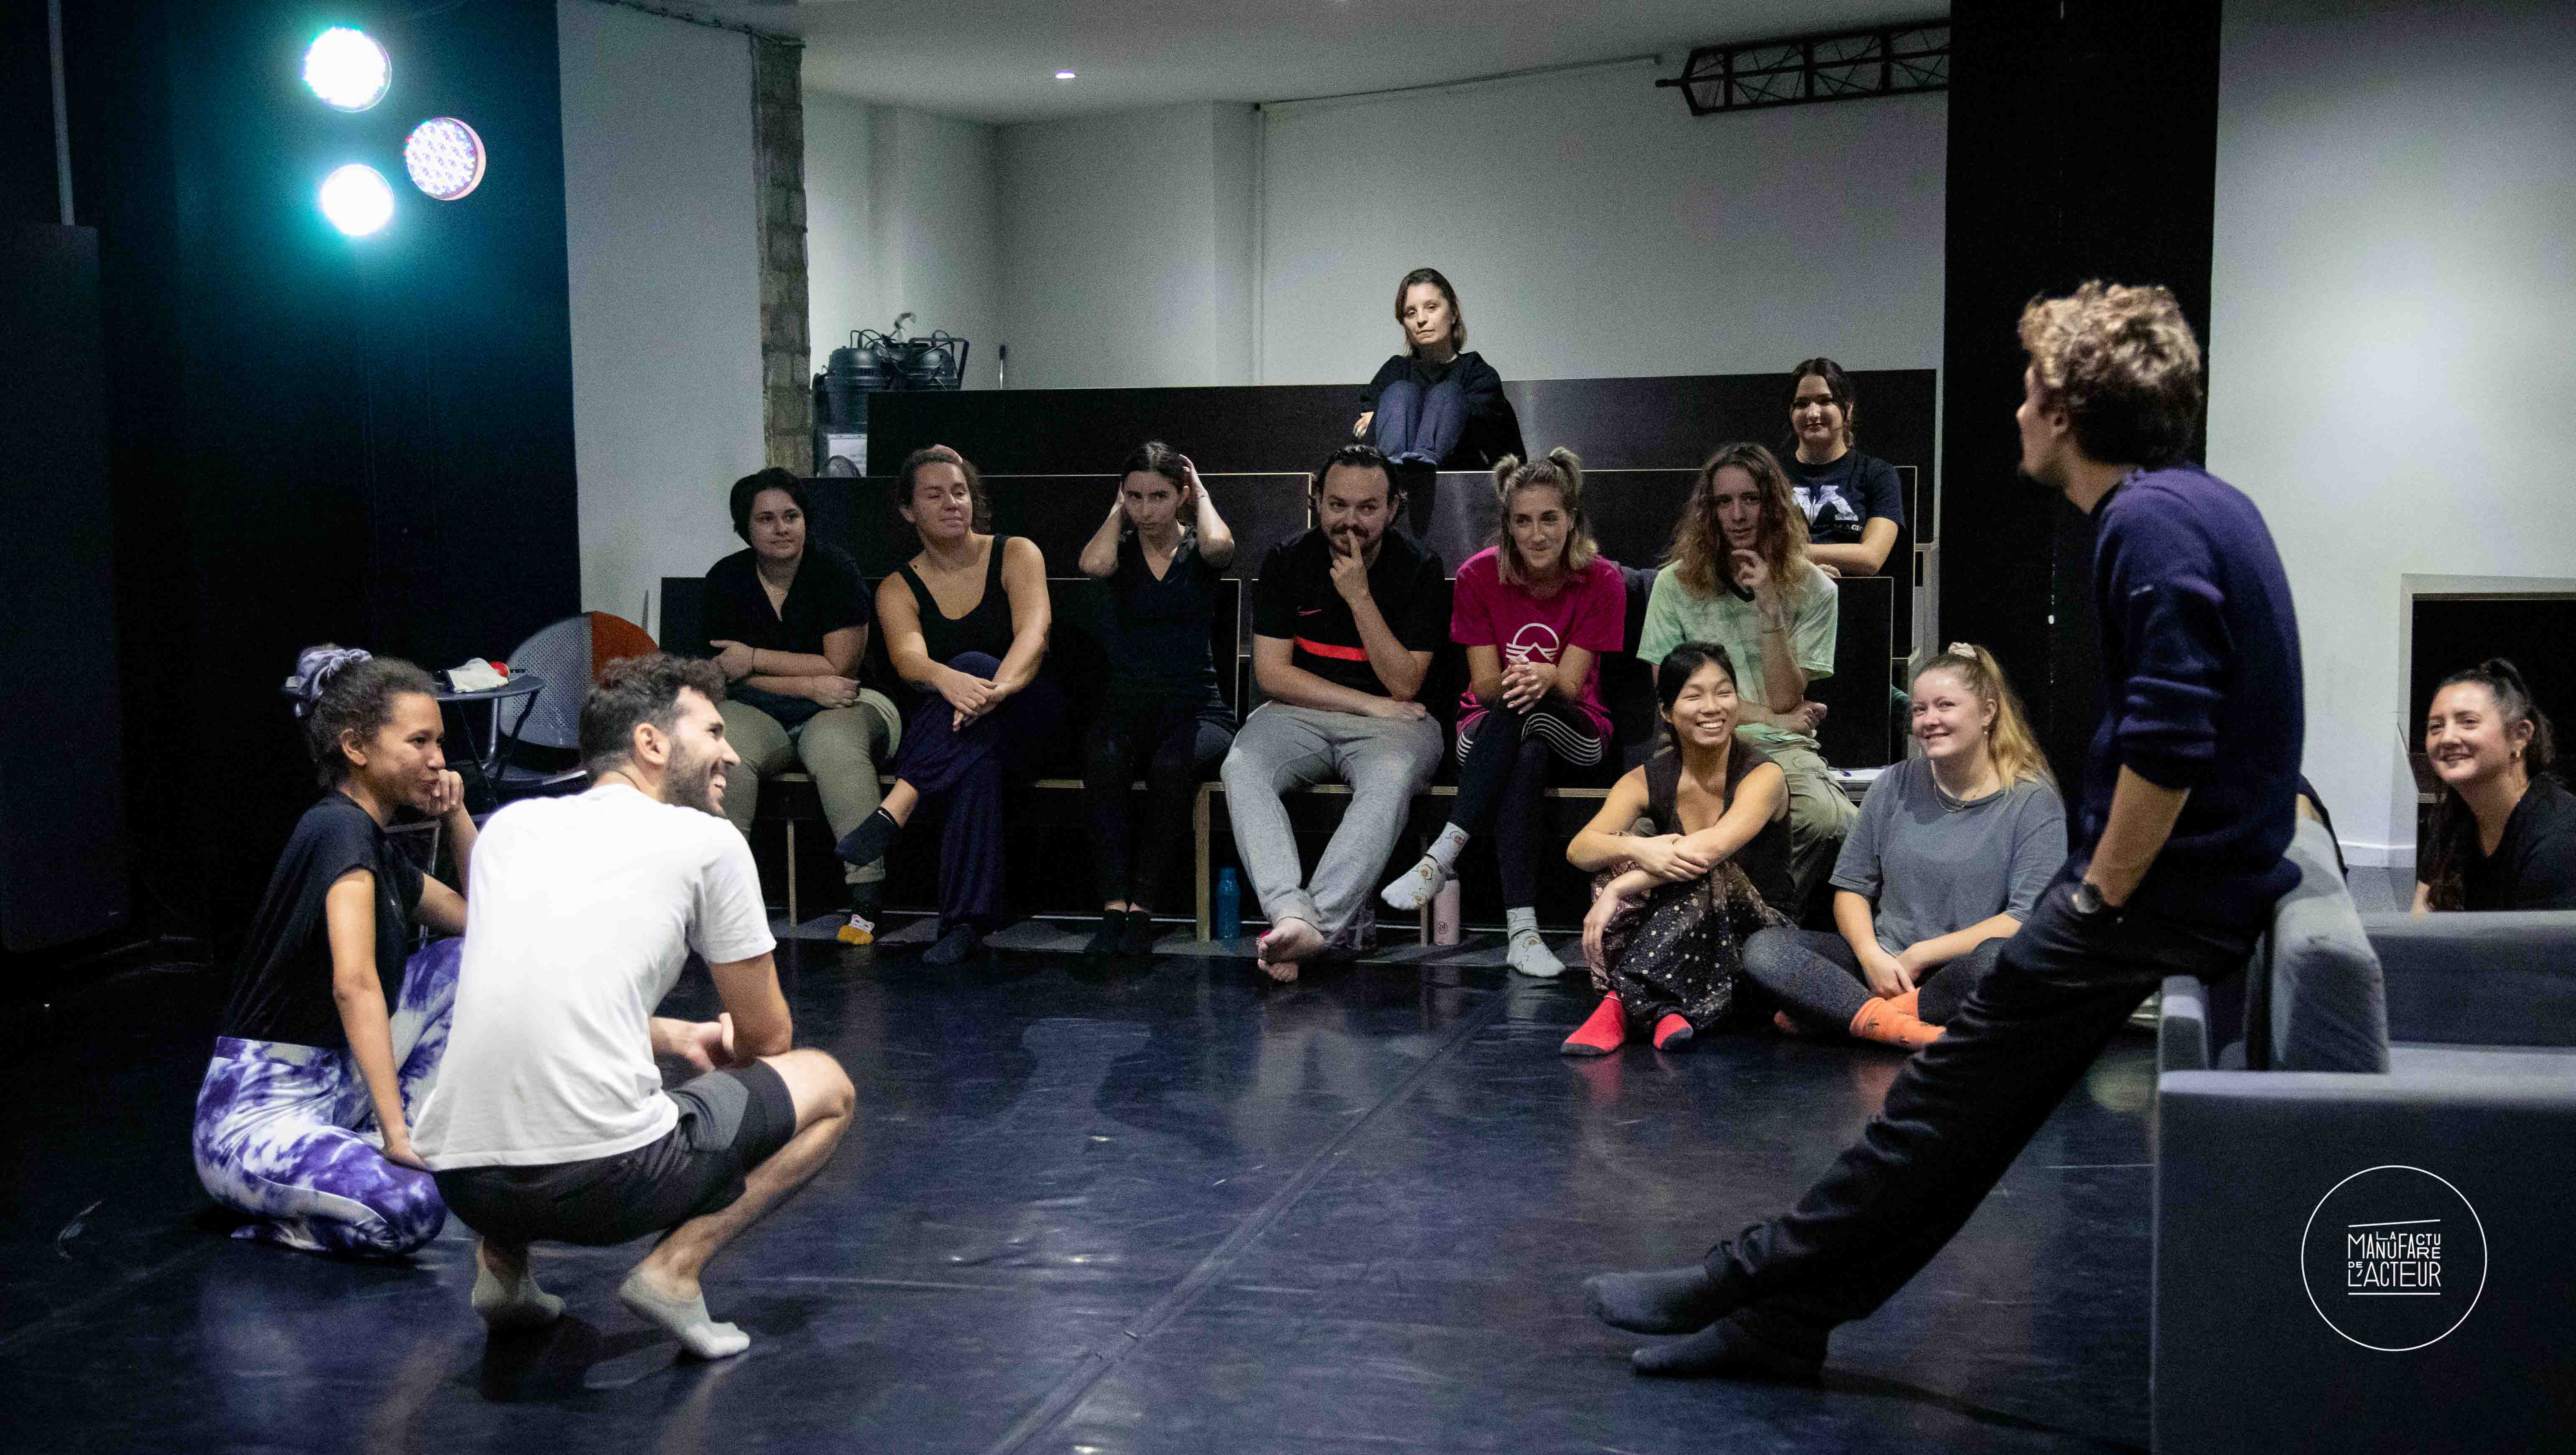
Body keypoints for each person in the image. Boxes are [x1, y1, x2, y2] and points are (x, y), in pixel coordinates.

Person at [1583, 281, 2305, 1383]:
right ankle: (1777, 1319)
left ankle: (1742, 1282)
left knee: (1931, 1119)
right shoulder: (2202, 505)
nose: (2014, 409)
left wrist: (2100, 895)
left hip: (2152, 900)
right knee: (1952, 1133)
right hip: (2180, 894)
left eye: (2026, 389)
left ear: (2063, 409)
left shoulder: (2145, 521)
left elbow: (2174, 728)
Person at [412, 654, 854, 1359]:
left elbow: (535, 995)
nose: (732, 753)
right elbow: (769, 1040)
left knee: (516, 1072)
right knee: (827, 1085)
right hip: (606, 1184)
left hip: (463, 1184)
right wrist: (726, 1057)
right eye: (713, 732)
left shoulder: (509, 831)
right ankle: (673, 1273)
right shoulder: (709, 842)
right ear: (651, 743)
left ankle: (503, 1272)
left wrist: (675, 1036)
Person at [193, 647, 474, 1257]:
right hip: (260, 1116)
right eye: (419, 741)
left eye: (440, 742)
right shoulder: (336, 830)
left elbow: (485, 922)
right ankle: (359, 1165)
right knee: (410, 1212)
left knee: (466, 963)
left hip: (333, 1089)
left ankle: (384, 1143)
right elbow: (354, 982)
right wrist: (395, 1131)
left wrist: (456, 813)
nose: (437, 759)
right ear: (356, 747)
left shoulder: (372, 844)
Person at [1743, 644, 2065, 1049]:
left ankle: (1843, 1014)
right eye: (1919, 710)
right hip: (1882, 966)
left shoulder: (2032, 800)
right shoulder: (1893, 784)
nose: (1929, 721)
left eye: (1945, 706)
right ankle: (1896, 1025)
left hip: (1956, 972)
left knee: (2003, 960)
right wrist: (1870, 955)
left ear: (1987, 712)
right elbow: (1851, 888)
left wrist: (1921, 955)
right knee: (1767, 948)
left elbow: (2024, 916)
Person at [1380, 448, 1625, 978]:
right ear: (1507, 524)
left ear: (1572, 521)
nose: (1536, 535)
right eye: (1522, 521)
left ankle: (1443, 853)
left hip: (1578, 729)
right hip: (1489, 727)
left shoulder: (1602, 580)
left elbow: (1573, 684)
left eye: (1548, 519)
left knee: (1534, 720)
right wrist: (1525, 679)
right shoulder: (1477, 576)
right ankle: (1523, 932)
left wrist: (1545, 677)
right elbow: (1484, 684)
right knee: (1527, 751)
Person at [1221, 443, 1449, 981]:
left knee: (1389, 780)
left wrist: (1360, 598)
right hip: (1304, 712)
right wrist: (1367, 704)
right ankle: (1289, 913)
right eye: (1338, 505)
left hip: (1397, 729)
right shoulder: (1286, 559)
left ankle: (1311, 927)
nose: (1351, 521)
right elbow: (1273, 675)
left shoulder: (1419, 568)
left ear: (1393, 508)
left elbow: (1404, 683)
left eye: (1368, 508)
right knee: (1241, 765)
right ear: (1316, 501)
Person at [833, 446, 1061, 965]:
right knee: (974, 765)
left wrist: (993, 690)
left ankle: (899, 805)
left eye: (959, 492)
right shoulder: (897, 586)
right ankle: (962, 926)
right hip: (964, 729)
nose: (952, 503)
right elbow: (909, 659)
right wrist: (949, 680)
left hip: (1030, 715)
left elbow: (1034, 633)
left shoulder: (1016, 552)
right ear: (909, 511)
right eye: (934, 495)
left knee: (979, 661)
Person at [1637, 441, 1857, 903]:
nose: (1737, 515)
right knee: (1643, 824)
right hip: (1696, 742)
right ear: (1709, 512)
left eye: (1750, 499)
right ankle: (1717, 916)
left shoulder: (1815, 589)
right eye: (1724, 502)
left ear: (1772, 506)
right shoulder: (1673, 584)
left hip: (1782, 752)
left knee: (1829, 820)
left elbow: (1783, 696)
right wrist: (1775, 717)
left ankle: (1760, 918)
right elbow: (1679, 698)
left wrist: (1769, 609)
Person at [1557, 643, 1796, 1055]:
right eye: (1693, 695)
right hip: (1688, 939)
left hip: (1758, 940)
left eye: (1723, 692)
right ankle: (1665, 1011)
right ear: (1667, 711)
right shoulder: (1648, 779)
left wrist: (1623, 886)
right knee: (1613, 857)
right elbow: (1580, 849)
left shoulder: (1763, 775)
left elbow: (1711, 849)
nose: (1712, 707)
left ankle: (1620, 1002)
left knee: (1705, 866)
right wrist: (1635, 848)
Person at [705, 467, 903, 945]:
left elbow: (841, 669)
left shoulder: (834, 571)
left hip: (851, 701)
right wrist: (807, 684)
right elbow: (720, 673)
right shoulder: (727, 578)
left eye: (791, 516)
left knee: (835, 747)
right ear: (745, 529)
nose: (781, 528)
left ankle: (866, 899)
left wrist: (753, 659)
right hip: (763, 707)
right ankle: (720, 900)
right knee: (724, 746)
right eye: (766, 519)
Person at [1075, 442, 1238, 958]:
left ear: (1181, 496)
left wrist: (1204, 494)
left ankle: (1144, 907)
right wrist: (1114, 512)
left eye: (1159, 497)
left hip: (1198, 710)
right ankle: (1113, 907)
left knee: (1172, 767)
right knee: (1102, 759)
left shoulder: (1199, 548)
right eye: (1135, 497)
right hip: (1128, 707)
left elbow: (1221, 548)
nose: (1146, 510)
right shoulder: (1119, 550)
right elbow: (1093, 563)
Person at [2414, 658, 2576, 911]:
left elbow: (2541, 949)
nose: (2446, 738)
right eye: (2436, 727)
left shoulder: (2561, 835)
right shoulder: (2448, 819)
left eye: (2468, 722)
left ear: (2521, 736)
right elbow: (2421, 931)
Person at [1351, 267, 1524, 469]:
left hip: (1457, 478)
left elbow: (1494, 441)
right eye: (1411, 312)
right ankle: (1395, 473)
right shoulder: (1395, 371)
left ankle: (1421, 467)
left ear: (1453, 314)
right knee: (1401, 392)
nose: (1421, 320)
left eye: (1432, 307)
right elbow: (1364, 433)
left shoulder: (1477, 373)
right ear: (1404, 323)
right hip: (1386, 483)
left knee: (1447, 393)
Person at [1780, 357, 1906, 578]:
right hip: (1781, 601)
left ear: (1847, 409)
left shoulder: (1877, 474)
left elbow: (1871, 558)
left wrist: (1785, 557)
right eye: (1801, 403)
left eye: (1825, 401)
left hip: (1853, 602)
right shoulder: (1769, 474)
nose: (1813, 414)